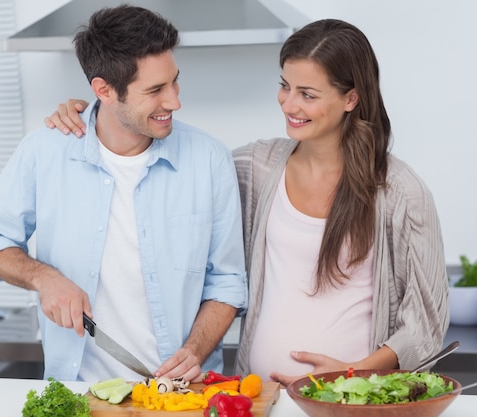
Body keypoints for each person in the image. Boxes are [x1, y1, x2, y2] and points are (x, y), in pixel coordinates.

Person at [44, 19, 449, 386]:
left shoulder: (399, 192)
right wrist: (97, 114)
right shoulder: (252, 168)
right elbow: (159, 162)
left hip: (349, 400)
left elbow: (425, 327)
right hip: (255, 398)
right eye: (285, 86)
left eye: (307, 94)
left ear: (350, 99)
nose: (289, 105)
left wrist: (352, 373)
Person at [0, 5, 248, 384]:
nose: (174, 101)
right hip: (79, 393)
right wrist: (43, 278)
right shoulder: (44, 151)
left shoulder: (209, 159)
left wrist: (194, 351)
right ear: (103, 90)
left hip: (184, 397)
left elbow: (227, 282)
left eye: (174, 82)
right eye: (154, 90)